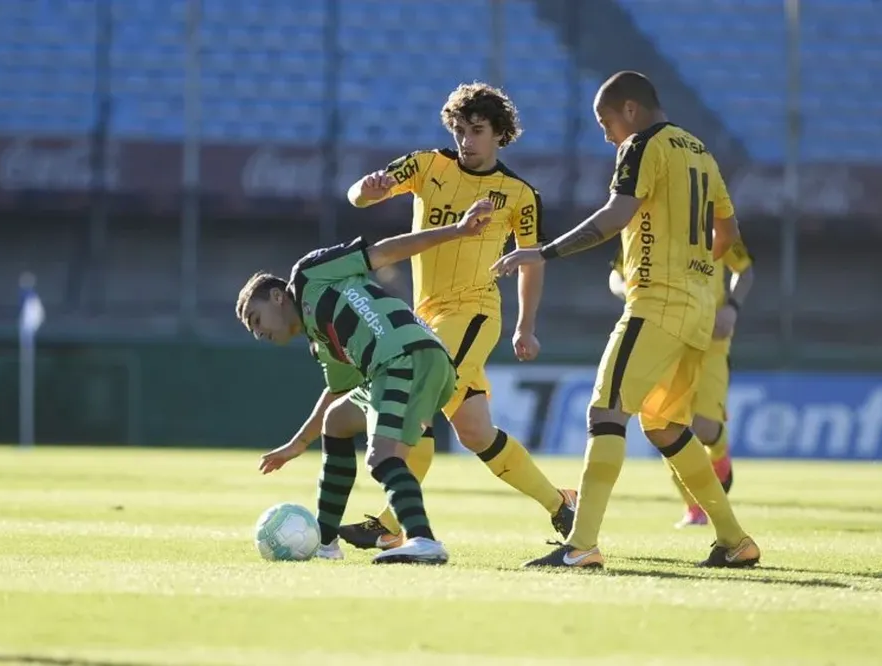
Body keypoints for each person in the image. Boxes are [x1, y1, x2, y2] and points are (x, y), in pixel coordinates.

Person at [492, 71, 761, 569]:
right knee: (665, 427)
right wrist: (695, 262)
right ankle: (735, 540)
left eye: (606, 120)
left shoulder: (641, 145)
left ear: (631, 110)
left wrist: (543, 252)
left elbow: (616, 215)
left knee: (606, 412)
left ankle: (581, 544)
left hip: (658, 302)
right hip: (699, 309)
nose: (606, 133)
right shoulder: (700, 150)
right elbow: (729, 230)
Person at [336, 82, 577, 552]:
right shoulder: (428, 165)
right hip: (426, 314)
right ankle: (561, 504)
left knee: (412, 402)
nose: (467, 139)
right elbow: (358, 197)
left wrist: (527, 325)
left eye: (478, 130)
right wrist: (365, 191)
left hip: (473, 313)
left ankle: (391, 522)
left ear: (499, 134)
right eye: (460, 130)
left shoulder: (518, 194)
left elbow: (531, 258)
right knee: (475, 431)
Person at [238, 199, 494, 565]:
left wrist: (456, 231)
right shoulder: (322, 342)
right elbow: (337, 394)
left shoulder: (309, 275)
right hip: (415, 363)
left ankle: (424, 541)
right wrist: (297, 445)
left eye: (256, 319)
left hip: (403, 356)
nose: (257, 332)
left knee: (381, 457)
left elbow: (384, 252)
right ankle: (326, 545)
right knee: (338, 421)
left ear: (277, 297)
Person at [609, 236, 754, 528]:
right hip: (665, 337)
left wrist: (732, 308)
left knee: (703, 427)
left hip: (711, 340)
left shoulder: (714, 225)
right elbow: (616, 273)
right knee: (665, 423)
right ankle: (693, 507)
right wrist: (628, 290)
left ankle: (720, 447)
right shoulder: (644, 226)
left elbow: (745, 269)